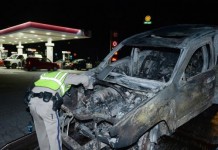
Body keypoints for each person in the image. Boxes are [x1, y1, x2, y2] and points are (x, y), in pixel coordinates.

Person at [25, 71, 93, 150]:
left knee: (41, 131)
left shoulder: (47, 75)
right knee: (54, 136)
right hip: (46, 104)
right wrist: (88, 89)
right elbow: (84, 79)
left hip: (32, 102)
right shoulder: (66, 76)